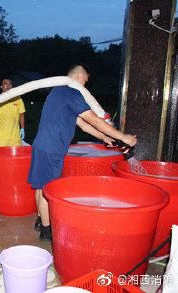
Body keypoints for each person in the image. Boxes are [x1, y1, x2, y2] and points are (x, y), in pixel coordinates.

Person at [29, 65, 137, 241]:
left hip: (41, 146)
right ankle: (47, 232)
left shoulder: (57, 92)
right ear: (79, 76)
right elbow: (92, 119)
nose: (85, 86)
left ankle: (40, 220)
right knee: (48, 190)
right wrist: (123, 137)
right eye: (85, 81)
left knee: (40, 186)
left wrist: (104, 137)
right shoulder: (72, 93)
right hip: (52, 149)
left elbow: (82, 123)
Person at [0, 79, 26, 146]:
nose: (8, 86)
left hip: (15, 136)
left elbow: (21, 114)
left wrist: (22, 128)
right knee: (1, 155)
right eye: (5, 84)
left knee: (15, 156)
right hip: (1, 137)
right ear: (1, 86)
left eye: (10, 84)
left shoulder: (18, 98)